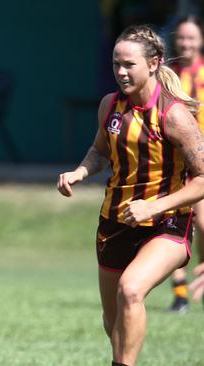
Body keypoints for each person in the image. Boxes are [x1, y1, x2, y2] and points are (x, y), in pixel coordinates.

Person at [57, 24, 204, 366]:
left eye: (129, 65)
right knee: (114, 325)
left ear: (154, 63)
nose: (121, 72)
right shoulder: (110, 106)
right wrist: (79, 172)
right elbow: (99, 151)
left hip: (166, 223)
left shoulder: (175, 115)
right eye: (115, 64)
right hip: (114, 222)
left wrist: (155, 206)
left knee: (131, 289)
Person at [166, 15, 204, 313]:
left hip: (201, 163)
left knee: (202, 224)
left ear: (201, 40)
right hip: (173, 161)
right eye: (181, 38)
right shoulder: (168, 75)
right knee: (168, 223)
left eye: (191, 38)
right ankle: (180, 295)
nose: (185, 43)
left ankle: (199, 280)